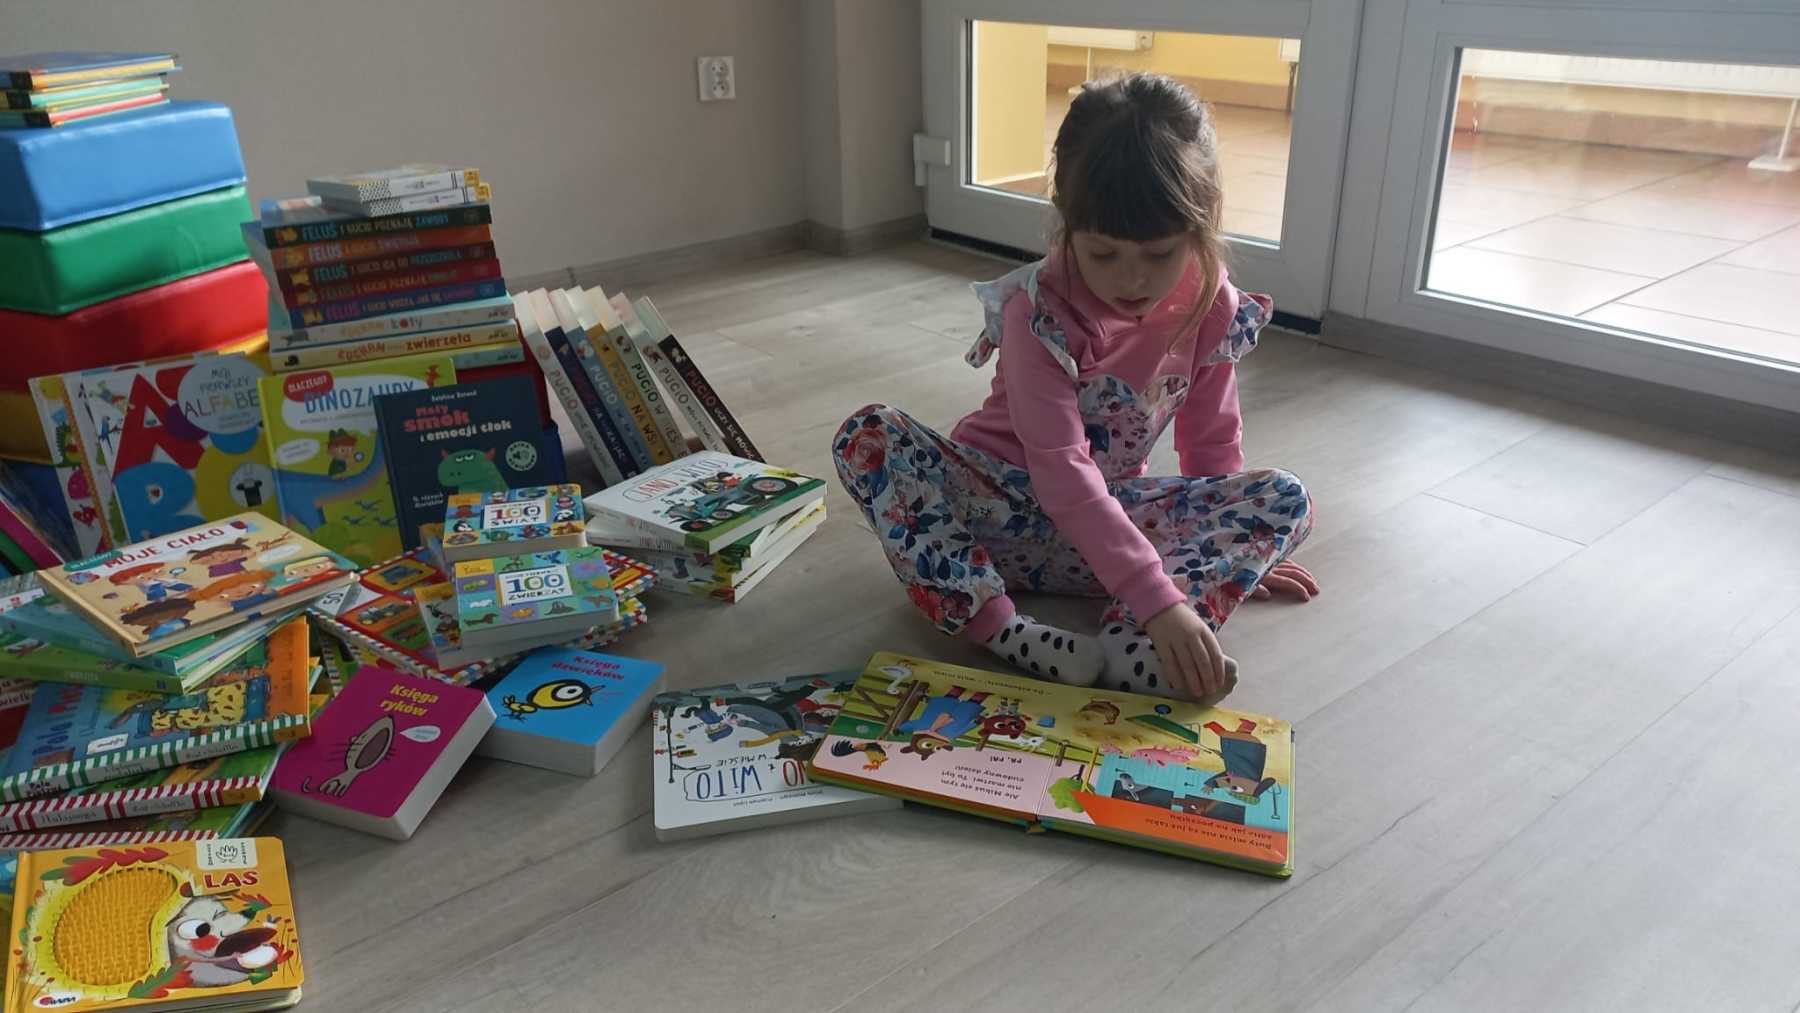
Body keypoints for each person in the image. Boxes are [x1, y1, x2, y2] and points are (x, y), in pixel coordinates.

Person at [832, 73, 1318, 705]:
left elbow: (1212, 444)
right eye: (1103, 254)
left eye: (1159, 254)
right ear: (1066, 226)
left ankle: (1132, 643)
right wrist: (1158, 594)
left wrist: (1224, 546)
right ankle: (1004, 631)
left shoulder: (1210, 302)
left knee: (1283, 498)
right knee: (869, 436)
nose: (1132, 280)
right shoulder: (1037, 313)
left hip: (1101, 528)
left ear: (1202, 227)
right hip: (991, 515)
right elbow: (1060, 470)